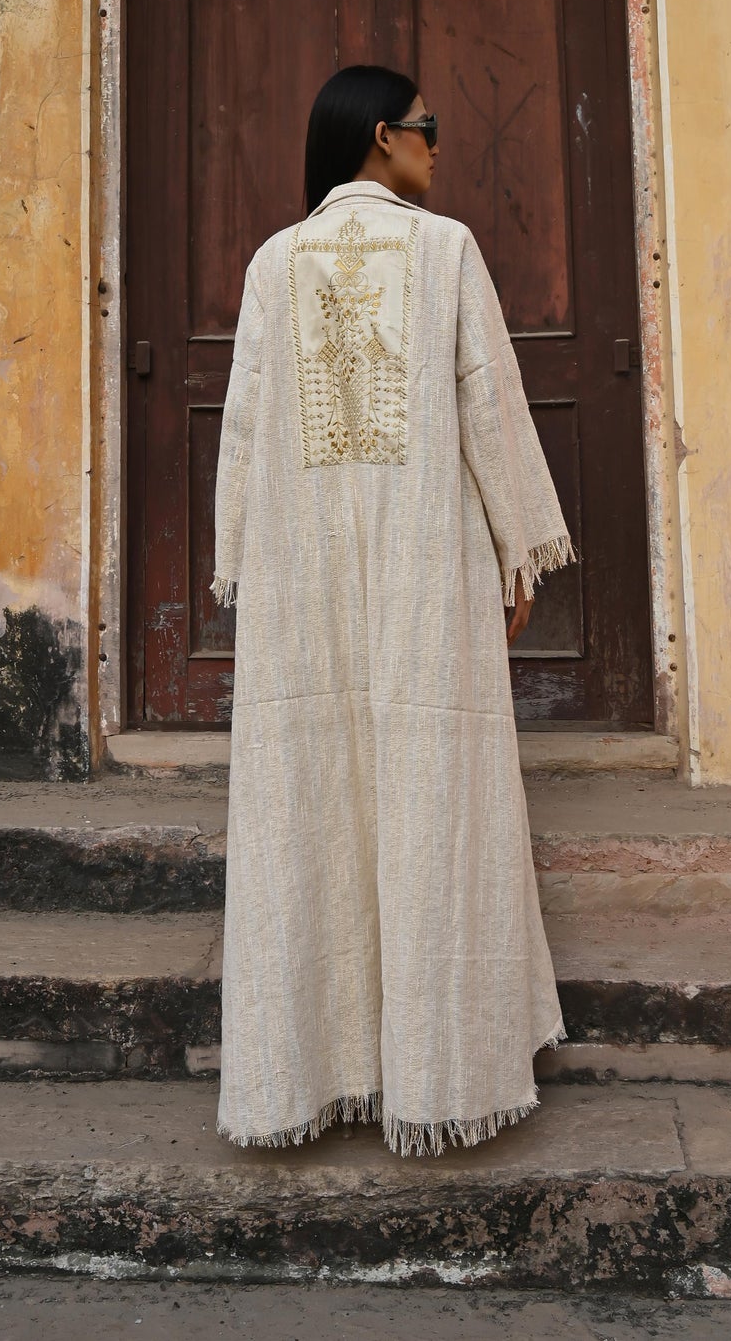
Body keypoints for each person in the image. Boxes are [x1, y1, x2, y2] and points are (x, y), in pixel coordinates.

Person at [212, 63, 572, 1156]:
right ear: (382, 138)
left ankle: (305, 1074)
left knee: (307, 805)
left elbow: (242, 429)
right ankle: (439, 1067)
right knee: (435, 794)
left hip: (302, 577)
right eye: (426, 128)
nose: (436, 146)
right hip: (427, 568)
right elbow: (488, 403)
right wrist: (518, 550)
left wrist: (241, 569)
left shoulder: (274, 263)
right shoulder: (445, 249)